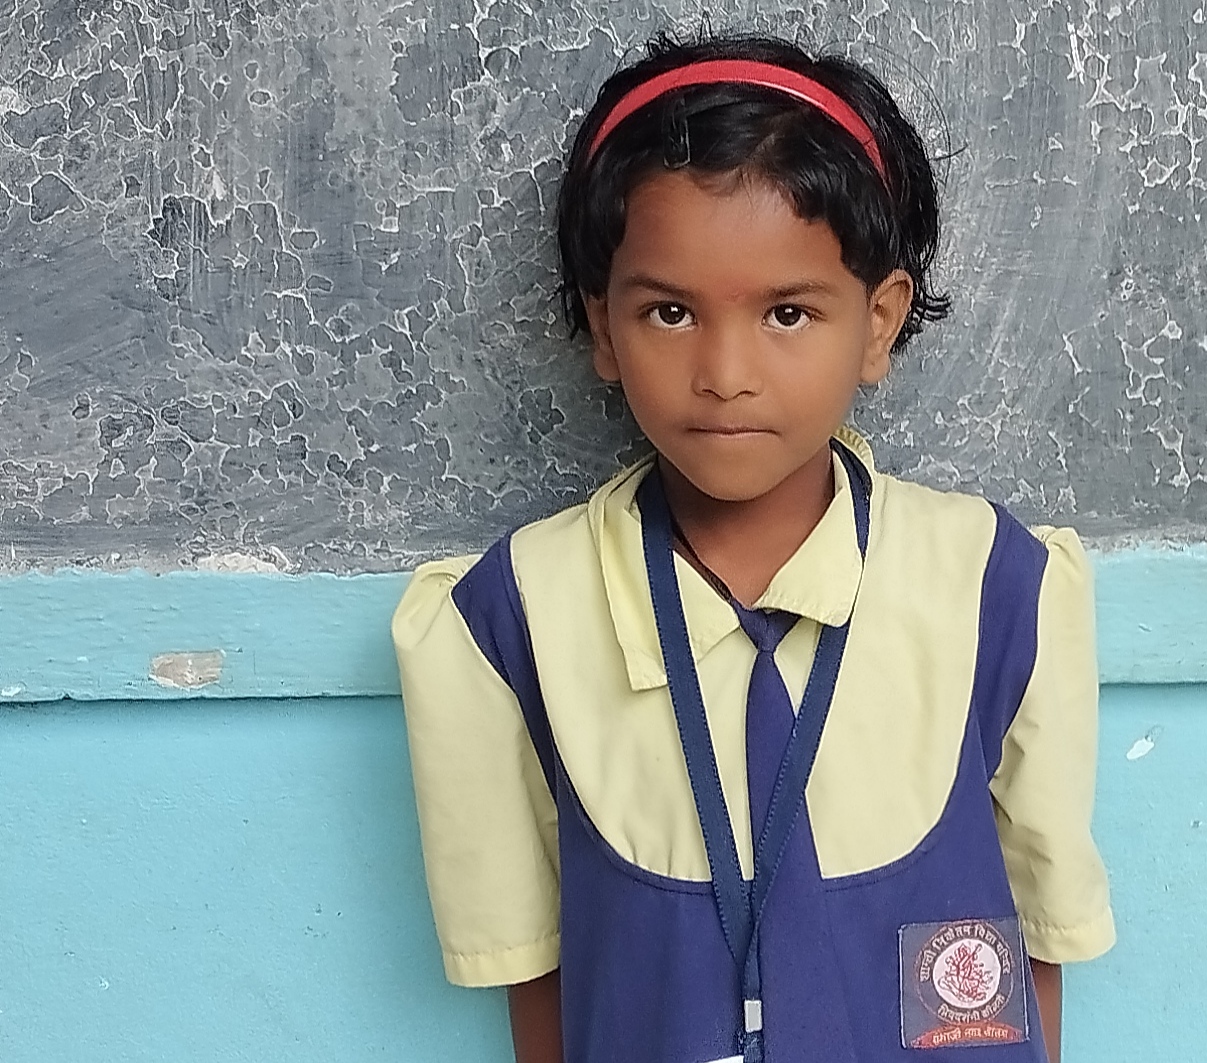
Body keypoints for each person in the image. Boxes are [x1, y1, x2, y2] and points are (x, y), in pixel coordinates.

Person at [393, 32, 1114, 1063]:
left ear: (878, 321)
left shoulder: (998, 591)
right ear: (602, 326)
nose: (725, 372)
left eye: (786, 312)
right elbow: (535, 979)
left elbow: (1038, 945)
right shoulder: (508, 620)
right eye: (668, 312)